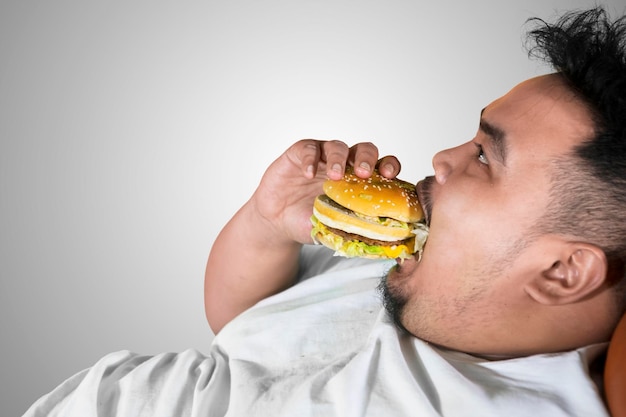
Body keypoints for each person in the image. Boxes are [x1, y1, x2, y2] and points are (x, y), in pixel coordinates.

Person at [23, 6, 626, 417]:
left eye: (485, 158)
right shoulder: (404, 272)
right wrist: (267, 224)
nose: (442, 158)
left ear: (562, 273)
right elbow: (236, 322)